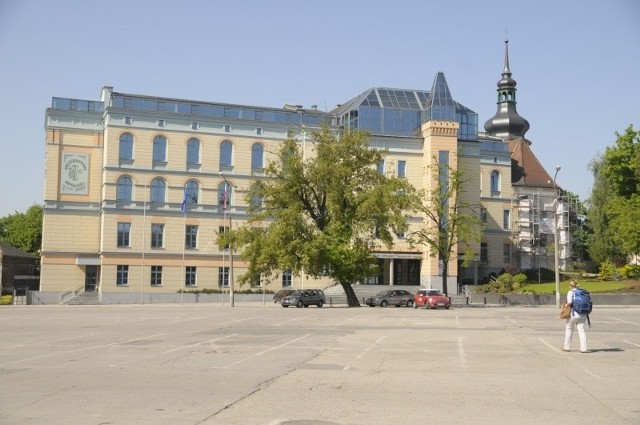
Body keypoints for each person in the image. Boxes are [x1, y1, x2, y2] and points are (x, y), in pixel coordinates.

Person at [563, 280, 589, 353]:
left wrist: (565, 306)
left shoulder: (571, 292)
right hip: (583, 313)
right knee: (581, 330)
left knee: (569, 328)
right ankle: (584, 348)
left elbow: (569, 302)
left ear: (570, 286)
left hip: (574, 313)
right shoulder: (583, 292)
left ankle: (567, 347)